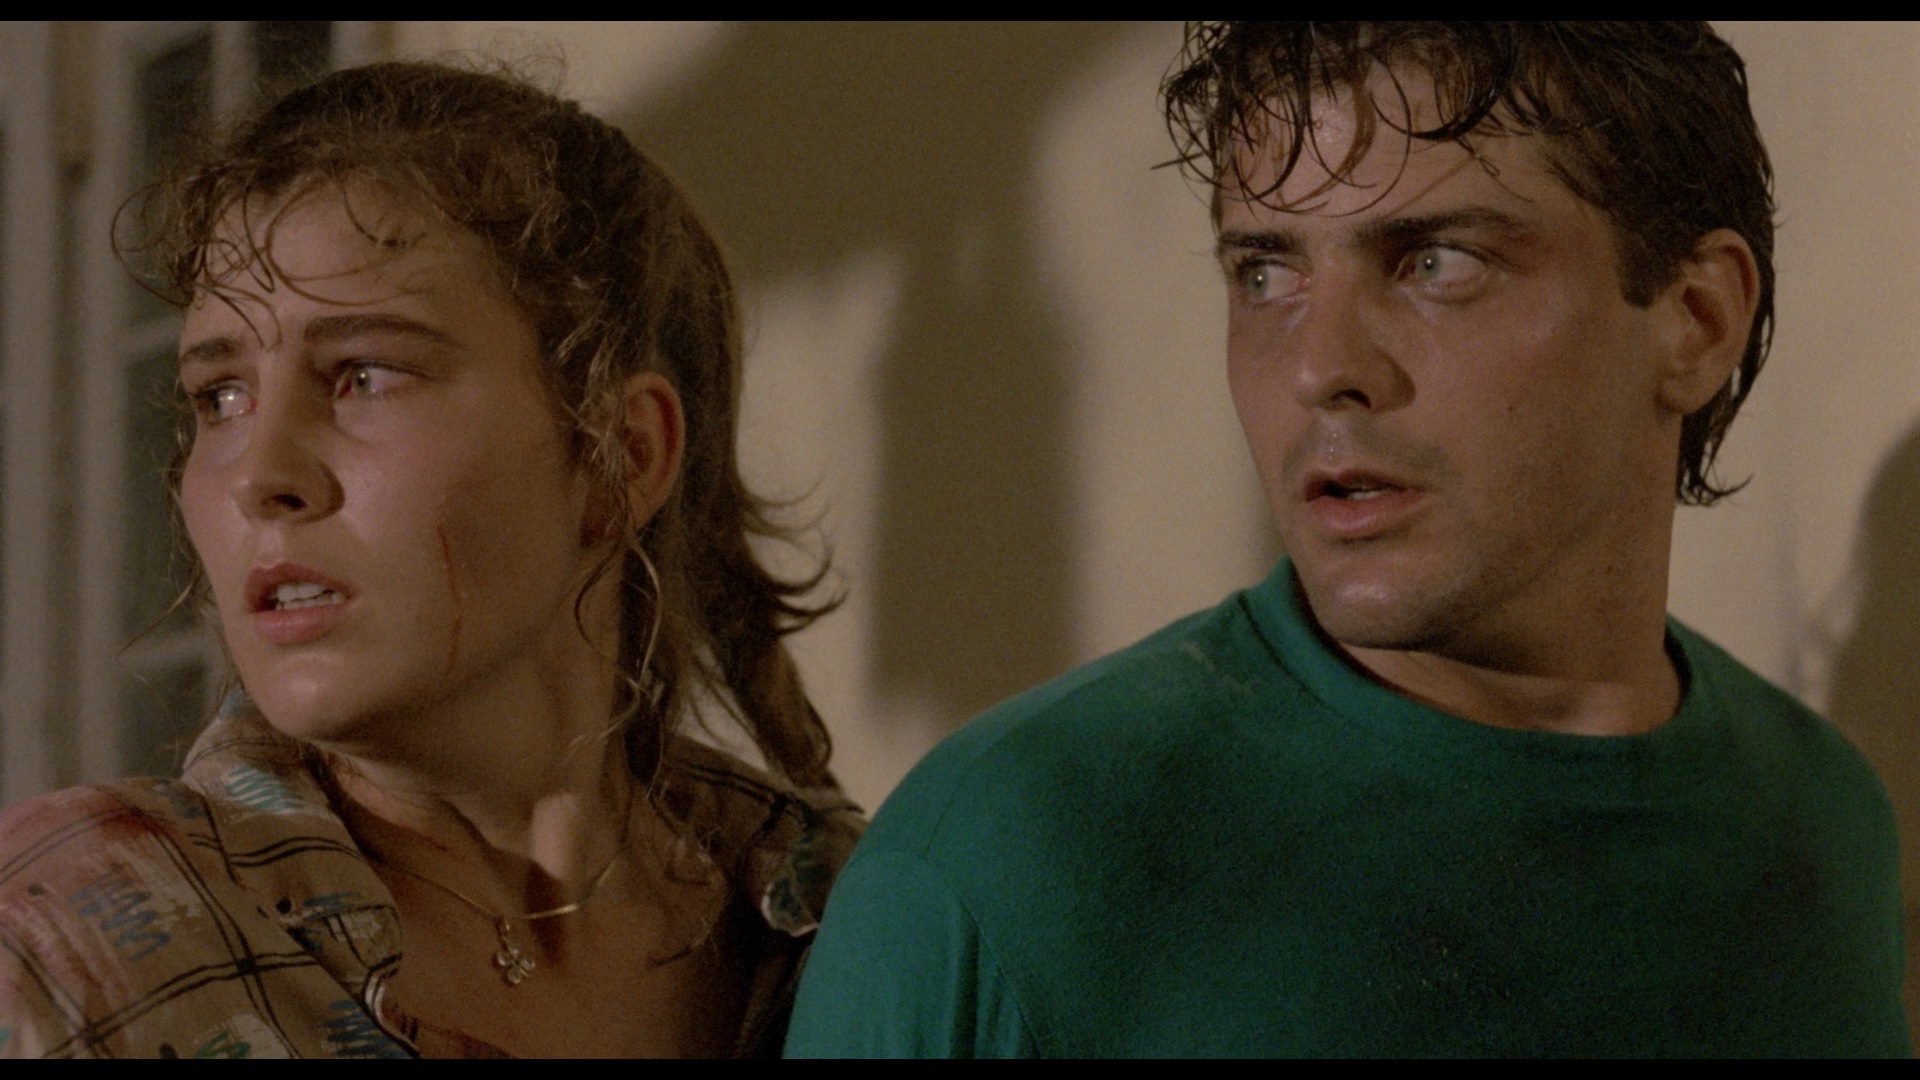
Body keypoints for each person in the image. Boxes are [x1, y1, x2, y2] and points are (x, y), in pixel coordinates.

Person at [785, 22, 1909, 1057]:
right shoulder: (1007, 867)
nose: (1320, 366)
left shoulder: (1825, 828)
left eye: (1436, 262)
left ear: (1697, 321)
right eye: (1265, 273)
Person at [0, 61, 860, 1058]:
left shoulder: (857, 919)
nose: (259, 476)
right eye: (219, 397)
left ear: (618, 456)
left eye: (364, 375)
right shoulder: (67, 941)